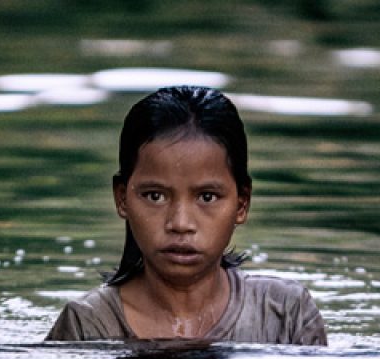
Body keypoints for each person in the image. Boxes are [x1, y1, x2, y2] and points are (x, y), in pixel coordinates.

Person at [45, 86, 327, 345]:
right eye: (155, 196)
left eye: (207, 197)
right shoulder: (88, 325)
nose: (180, 223)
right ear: (122, 198)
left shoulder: (285, 315)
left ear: (242, 203)